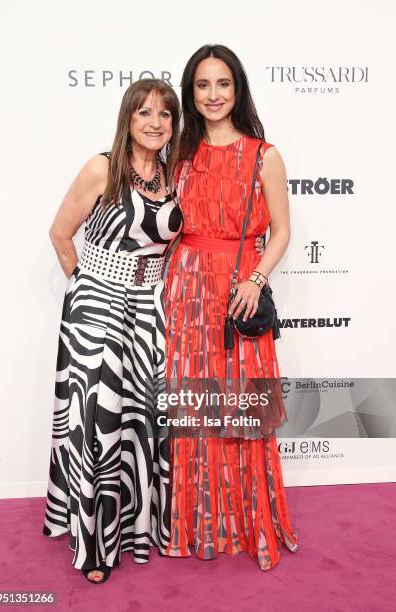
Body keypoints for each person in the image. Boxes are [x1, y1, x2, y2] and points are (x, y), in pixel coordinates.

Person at [163, 45, 298, 569]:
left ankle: (248, 522)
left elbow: (282, 231)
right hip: (186, 293)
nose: (213, 95)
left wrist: (257, 277)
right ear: (190, 93)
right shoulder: (178, 155)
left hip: (240, 291)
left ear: (237, 89)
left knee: (242, 406)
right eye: (202, 85)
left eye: (223, 84)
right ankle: (198, 524)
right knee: (195, 408)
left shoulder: (265, 154)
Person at [43, 79, 183, 583]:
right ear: (128, 117)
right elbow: (61, 234)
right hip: (99, 310)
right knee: (98, 428)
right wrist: (92, 289)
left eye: (165, 115)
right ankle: (94, 546)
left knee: (143, 422)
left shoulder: (173, 176)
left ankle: (136, 532)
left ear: (174, 124)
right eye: (144, 112)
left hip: (150, 311)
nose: (154, 122)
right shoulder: (102, 167)